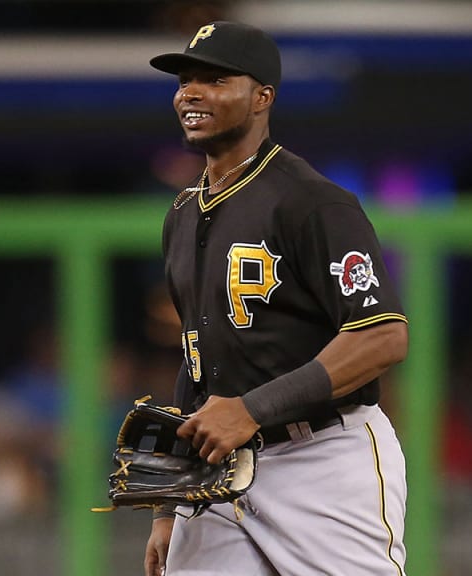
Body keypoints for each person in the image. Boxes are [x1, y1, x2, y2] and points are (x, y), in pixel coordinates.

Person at [144, 22, 409, 575]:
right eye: (185, 80)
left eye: (214, 80)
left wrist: (250, 409)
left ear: (263, 96)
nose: (190, 92)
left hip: (323, 458)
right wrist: (168, 501)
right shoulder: (183, 211)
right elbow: (198, 361)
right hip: (218, 465)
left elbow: (383, 335)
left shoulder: (312, 202)